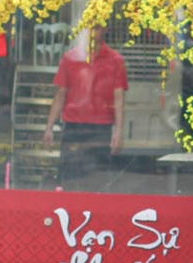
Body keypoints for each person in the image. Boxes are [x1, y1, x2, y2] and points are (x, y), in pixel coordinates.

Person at [43, 32, 130, 187]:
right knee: (69, 179)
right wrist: (49, 126)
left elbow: (119, 97)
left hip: (100, 128)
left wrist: (119, 131)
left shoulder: (115, 61)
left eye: (97, 27)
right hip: (73, 127)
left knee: (97, 181)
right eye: (90, 27)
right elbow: (61, 93)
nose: (93, 31)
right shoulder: (70, 58)